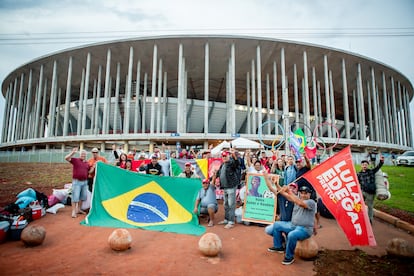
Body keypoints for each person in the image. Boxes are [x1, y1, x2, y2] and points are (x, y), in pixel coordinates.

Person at [263, 170, 316, 265]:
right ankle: (278, 246)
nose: (304, 195)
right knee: (276, 225)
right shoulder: (295, 198)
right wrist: (277, 185)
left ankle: (289, 257)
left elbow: (300, 203)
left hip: (304, 229)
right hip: (293, 225)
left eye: (306, 193)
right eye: (302, 193)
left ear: (310, 194)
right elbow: (285, 195)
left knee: (291, 235)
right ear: (299, 193)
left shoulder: (311, 202)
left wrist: (288, 191)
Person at [212, 149, 240, 229]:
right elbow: (218, 173)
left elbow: (237, 163)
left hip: (231, 187)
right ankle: (226, 219)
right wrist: (214, 175)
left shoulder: (231, 163)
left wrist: (234, 154)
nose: (224, 157)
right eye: (223, 156)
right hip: (225, 187)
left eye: (225, 156)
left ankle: (231, 222)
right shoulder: (222, 165)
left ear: (228, 156)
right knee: (226, 204)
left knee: (231, 204)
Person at [65, 147, 93, 218]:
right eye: (82, 154)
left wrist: (94, 166)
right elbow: (66, 158)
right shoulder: (75, 160)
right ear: (80, 155)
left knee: (82, 197)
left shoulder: (87, 163)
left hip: (84, 182)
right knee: (75, 197)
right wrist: (73, 152)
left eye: (84, 154)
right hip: (76, 181)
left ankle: (79, 209)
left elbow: (89, 172)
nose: (83, 155)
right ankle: (73, 211)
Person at [357, 155, 384, 223]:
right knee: (358, 204)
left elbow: (378, 167)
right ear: (361, 166)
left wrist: (381, 161)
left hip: (370, 193)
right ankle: (359, 217)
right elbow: (356, 182)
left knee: (370, 207)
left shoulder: (371, 171)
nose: (364, 166)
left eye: (366, 164)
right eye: (363, 164)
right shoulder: (359, 174)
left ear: (368, 165)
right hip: (363, 192)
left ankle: (370, 220)